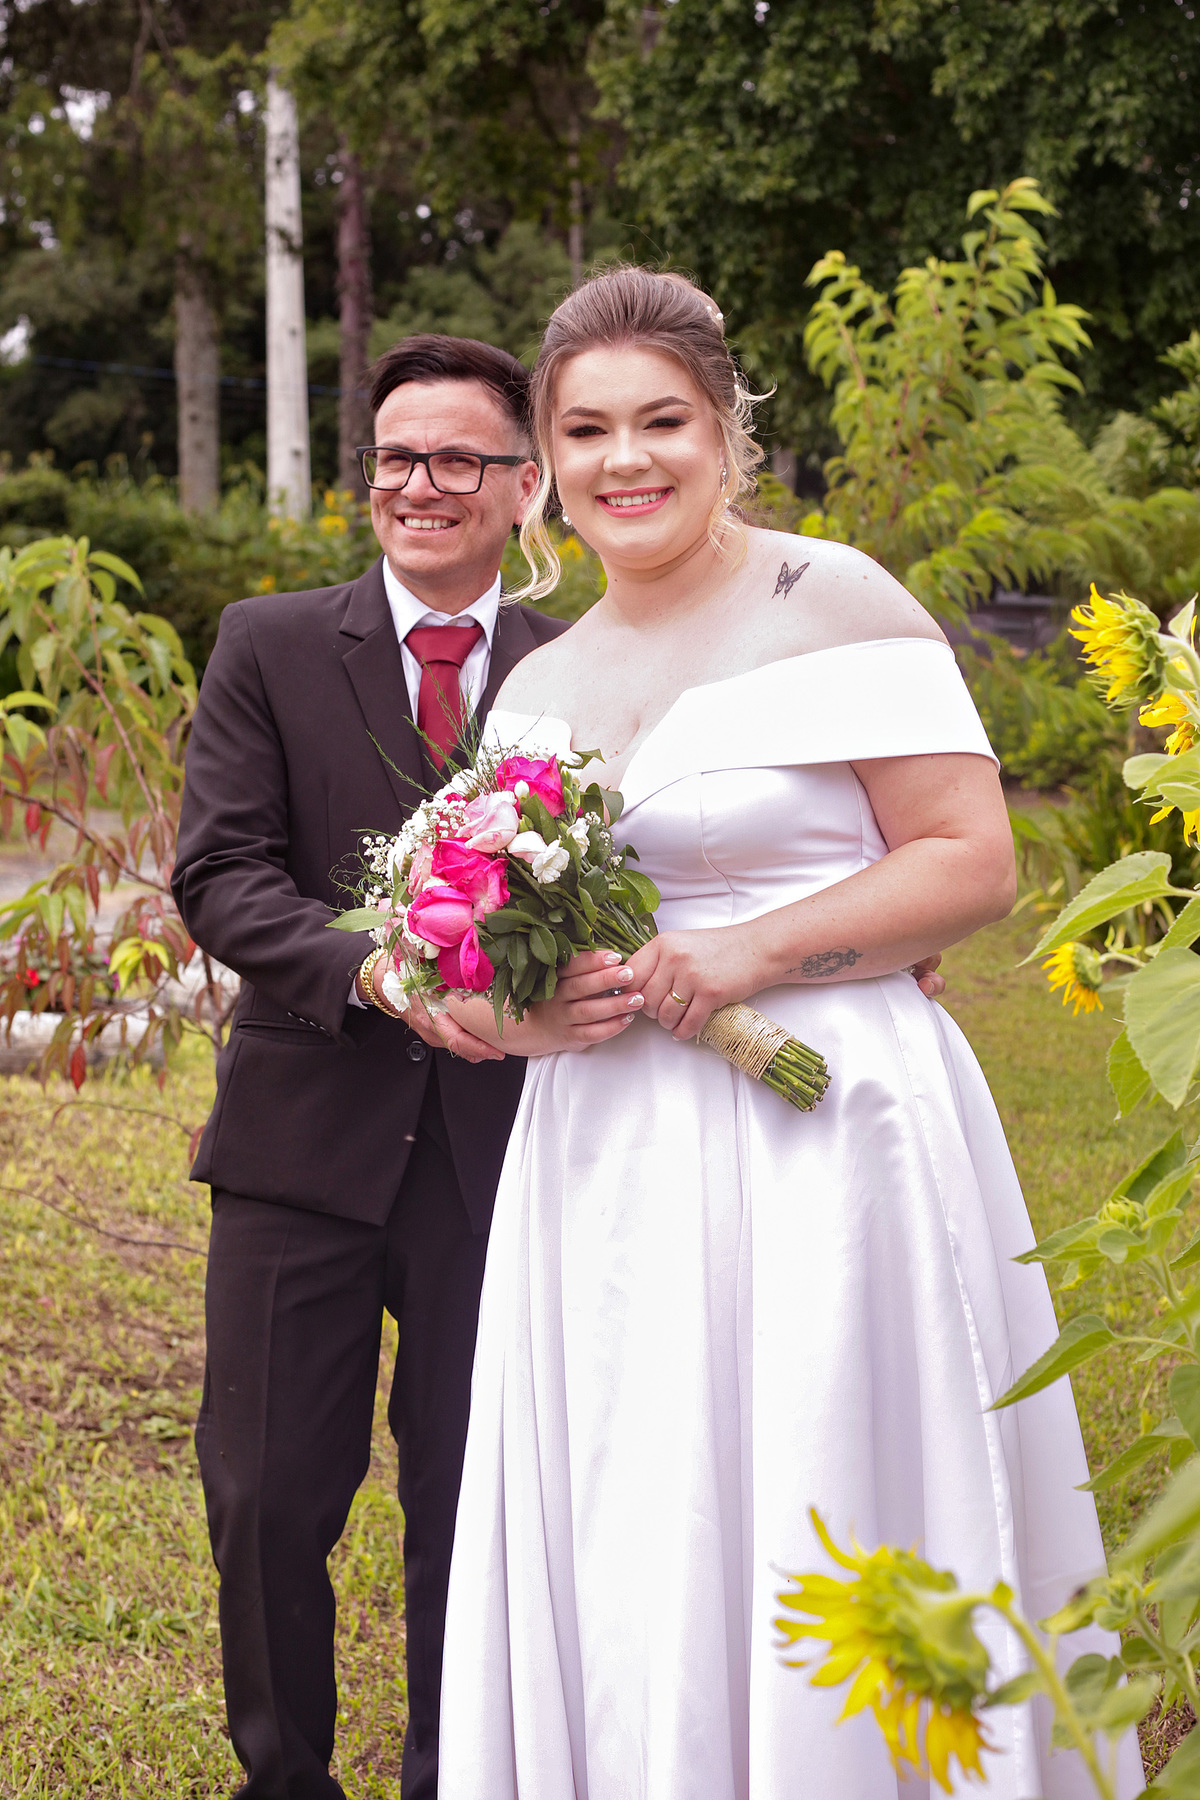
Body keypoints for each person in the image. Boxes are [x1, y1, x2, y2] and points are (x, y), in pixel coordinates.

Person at [432, 269, 1145, 1798]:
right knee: (639, 1497)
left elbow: (972, 860)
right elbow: (477, 947)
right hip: (603, 1159)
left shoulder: (834, 601)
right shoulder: (535, 682)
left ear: (728, 429)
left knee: (834, 1473)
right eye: (586, 431)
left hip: (827, 1134)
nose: (627, 460)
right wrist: (520, 1007)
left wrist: (750, 949)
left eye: (663, 421)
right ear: (545, 462)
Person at [171, 336, 573, 1800]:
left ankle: (451, 1778)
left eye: (461, 458)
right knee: (265, 1500)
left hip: (511, 1155)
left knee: (473, 1512)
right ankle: (283, 1780)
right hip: (301, 1145)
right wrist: (377, 972)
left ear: (524, 486)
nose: (422, 485)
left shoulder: (583, 669)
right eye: (398, 456)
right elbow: (220, 872)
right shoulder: (269, 642)